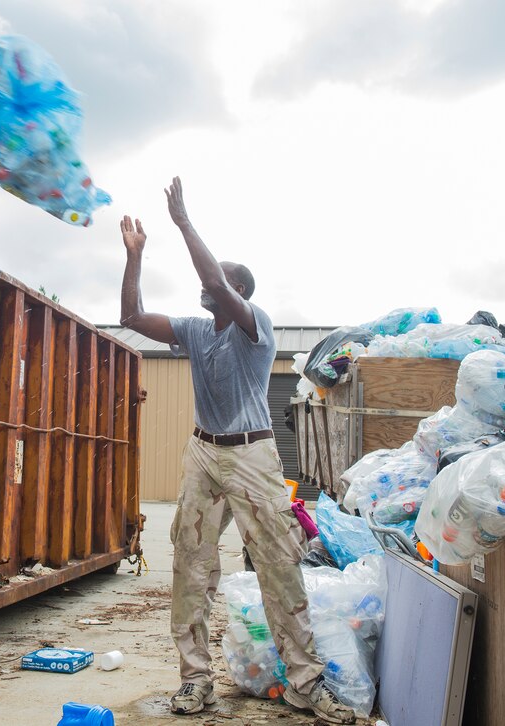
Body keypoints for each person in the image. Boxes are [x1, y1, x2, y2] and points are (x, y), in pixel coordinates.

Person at [118, 177, 355, 724]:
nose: (209, 283)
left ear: (237, 292)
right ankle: (195, 681)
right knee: (191, 566)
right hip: (203, 452)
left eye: (223, 280)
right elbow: (131, 318)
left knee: (277, 564)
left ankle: (304, 681)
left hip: (253, 455)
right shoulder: (197, 331)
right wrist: (135, 257)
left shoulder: (257, 328)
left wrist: (182, 222)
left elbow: (213, 279)